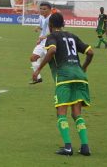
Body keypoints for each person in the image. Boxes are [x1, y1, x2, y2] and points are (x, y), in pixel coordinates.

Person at [32, 12, 94, 156]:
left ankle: (67, 147)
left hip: (64, 77)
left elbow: (52, 50)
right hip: (80, 77)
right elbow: (90, 52)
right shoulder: (73, 36)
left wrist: (38, 69)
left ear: (50, 25)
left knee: (61, 113)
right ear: (63, 24)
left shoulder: (52, 37)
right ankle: (85, 147)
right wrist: (83, 68)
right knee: (77, 114)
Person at [29, 2, 52, 84]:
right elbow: (43, 27)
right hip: (42, 42)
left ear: (50, 10)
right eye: (41, 9)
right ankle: (38, 78)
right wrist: (38, 29)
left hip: (50, 42)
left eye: (44, 9)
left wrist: (44, 37)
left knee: (53, 63)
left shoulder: (51, 18)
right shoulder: (42, 17)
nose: (42, 10)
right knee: (33, 58)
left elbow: (54, 31)